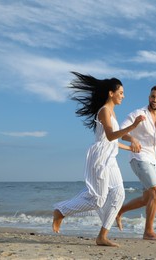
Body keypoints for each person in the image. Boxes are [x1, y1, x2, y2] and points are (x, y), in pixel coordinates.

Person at [52, 72, 145, 247]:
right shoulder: (104, 111)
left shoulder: (113, 113)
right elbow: (110, 137)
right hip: (100, 158)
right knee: (97, 199)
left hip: (111, 157)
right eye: (121, 93)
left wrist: (130, 146)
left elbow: (112, 142)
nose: (123, 96)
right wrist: (133, 127)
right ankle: (60, 211)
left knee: (119, 194)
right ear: (111, 93)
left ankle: (102, 236)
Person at [116, 85, 156, 241]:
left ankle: (119, 211)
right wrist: (133, 138)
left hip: (153, 160)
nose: (155, 100)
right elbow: (122, 131)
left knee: (147, 198)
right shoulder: (137, 113)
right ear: (149, 97)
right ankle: (148, 232)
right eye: (153, 96)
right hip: (139, 158)